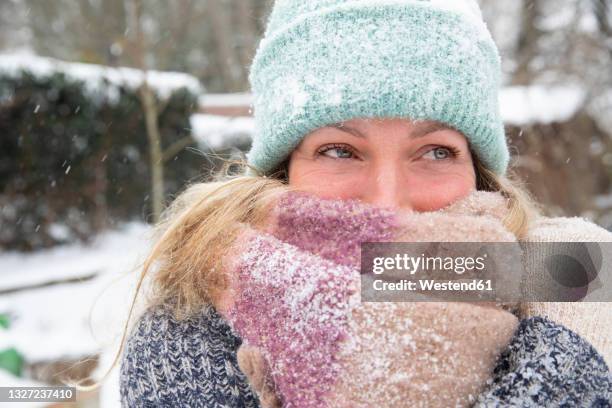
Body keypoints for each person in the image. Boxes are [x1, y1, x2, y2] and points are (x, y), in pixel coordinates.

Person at [118, 0, 612, 406]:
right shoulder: (189, 340)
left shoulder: (561, 278)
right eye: (339, 151)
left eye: (436, 151)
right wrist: (569, 375)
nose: (389, 201)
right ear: (281, 171)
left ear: (479, 173)